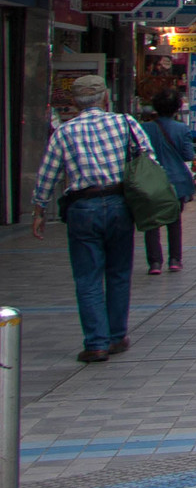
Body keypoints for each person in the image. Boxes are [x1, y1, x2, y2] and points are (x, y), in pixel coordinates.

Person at [30, 73, 147, 362]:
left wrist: (39, 209)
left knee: (88, 276)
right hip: (120, 203)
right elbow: (148, 161)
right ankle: (117, 336)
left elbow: (48, 174)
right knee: (119, 273)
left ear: (74, 102)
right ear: (105, 97)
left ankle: (96, 343)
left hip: (82, 208)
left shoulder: (65, 132)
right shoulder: (125, 123)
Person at [139, 89, 196, 276]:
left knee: (152, 222)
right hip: (177, 181)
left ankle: (155, 262)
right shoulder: (182, 129)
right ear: (176, 109)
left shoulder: (144, 128)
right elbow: (188, 155)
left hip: (151, 180)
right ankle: (174, 259)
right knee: (174, 221)